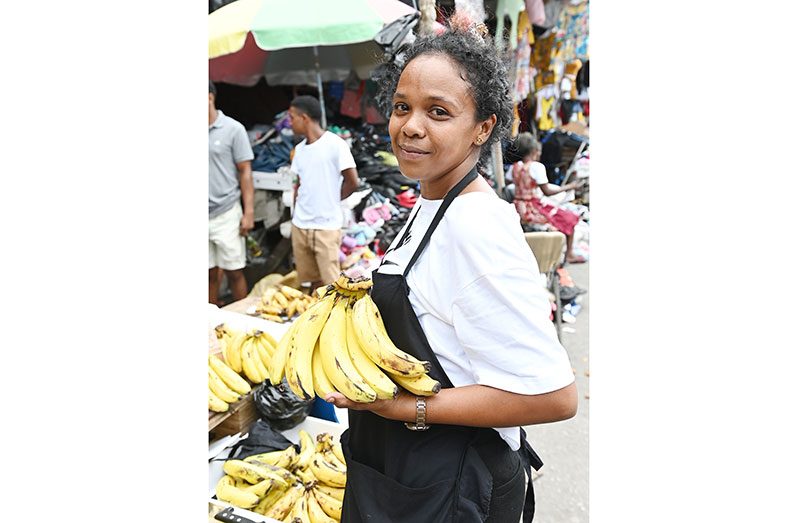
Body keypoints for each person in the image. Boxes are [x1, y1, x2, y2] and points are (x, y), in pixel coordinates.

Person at [325, 16, 577, 523]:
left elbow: (555, 395)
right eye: (402, 107)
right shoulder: (432, 201)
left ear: (483, 128)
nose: (411, 126)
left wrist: (411, 408)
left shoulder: (475, 227)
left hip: (454, 487)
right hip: (407, 474)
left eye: (438, 112)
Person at [288, 95, 359, 293]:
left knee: (332, 285)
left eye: (292, 117)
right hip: (301, 224)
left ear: (304, 118)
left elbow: (353, 181)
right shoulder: (299, 150)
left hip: (326, 226)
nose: (289, 123)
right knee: (311, 282)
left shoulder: (335, 144)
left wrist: (333, 200)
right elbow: (299, 185)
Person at [208, 80, 255, 305]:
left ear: (209, 97)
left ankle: (244, 322)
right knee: (208, 273)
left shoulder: (233, 129)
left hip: (227, 211)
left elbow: (245, 171)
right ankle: (209, 321)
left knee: (234, 271)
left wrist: (249, 212)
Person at [511, 132, 587, 264]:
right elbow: (547, 191)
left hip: (518, 206)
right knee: (570, 218)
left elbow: (512, 184)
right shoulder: (536, 167)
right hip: (532, 208)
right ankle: (569, 254)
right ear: (535, 151)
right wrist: (570, 186)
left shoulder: (514, 167)